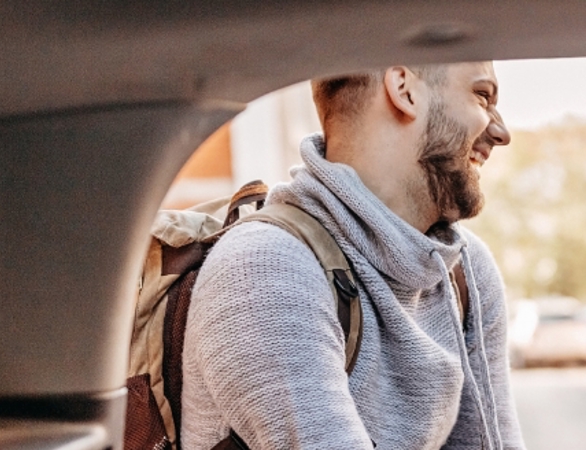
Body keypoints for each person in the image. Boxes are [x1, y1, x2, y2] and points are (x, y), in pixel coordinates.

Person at [181, 62, 522, 449]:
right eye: (482, 96)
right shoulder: (265, 269)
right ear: (404, 88)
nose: (501, 132)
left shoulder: (465, 271)